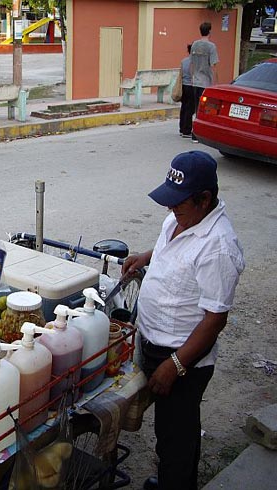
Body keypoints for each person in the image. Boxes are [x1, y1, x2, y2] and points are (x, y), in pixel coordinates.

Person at [122, 151, 244, 490]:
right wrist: (146, 256)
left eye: (179, 204)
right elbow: (170, 249)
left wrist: (174, 365)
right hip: (156, 343)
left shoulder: (219, 247)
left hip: (183, 358)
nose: (171, 210)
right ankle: (172, 480)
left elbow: (215, 318)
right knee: (172, 431)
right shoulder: (182, 219)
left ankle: (175, 482)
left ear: (204, 200)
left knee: (176, 436)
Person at [190, 22, 219, 141]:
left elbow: (191, 63)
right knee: (205, 110)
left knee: (196, 108)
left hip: (195, 81)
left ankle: (194, 133)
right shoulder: (211, 47)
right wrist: (216, 83)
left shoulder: (195, 45)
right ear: (210, 31)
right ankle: (199, 133)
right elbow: (213, 66)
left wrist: (192, 77)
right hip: (206, 82)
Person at [178, 44, 195, 138]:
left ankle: (181, 128)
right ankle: (187, 130)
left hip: (183, 86)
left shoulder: (183, 61)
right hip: (191, 86)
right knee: (190, 108)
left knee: (184, 107)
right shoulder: (194, 62)